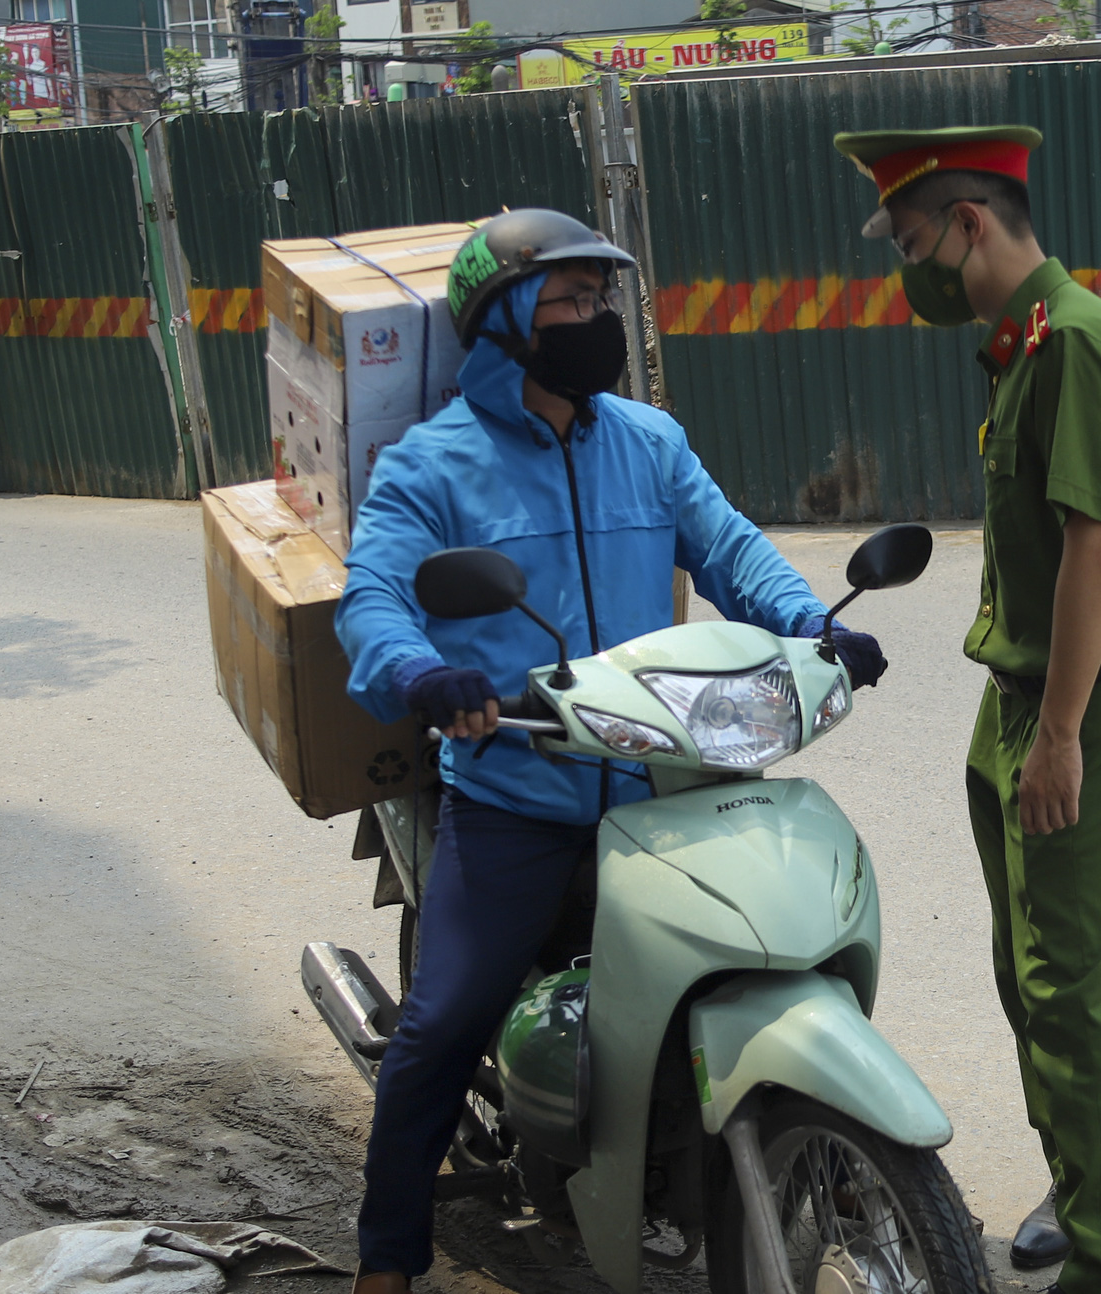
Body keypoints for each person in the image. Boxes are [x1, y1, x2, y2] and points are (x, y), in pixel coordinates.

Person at [333, 208, 885, 1294]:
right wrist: (423, 675)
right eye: (570, 303)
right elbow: (373, 598)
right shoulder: (432, 464)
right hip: (517, 797)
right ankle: (385, 1261)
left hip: (663, 784)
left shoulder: (647, 441)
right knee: (440, 1031)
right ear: (502, 322)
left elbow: (726, 546)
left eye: (602, 301)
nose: (596, 322)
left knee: (762, 948)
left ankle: (812, 1162)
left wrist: (812, 622)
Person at [829, 127, 1101, 1294]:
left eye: (912, 238)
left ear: (969, 224)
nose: (907, 263)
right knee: (1029, 977)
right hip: (1019, 702)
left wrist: (1061, 735)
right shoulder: (1022, 345)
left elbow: (1097, 546)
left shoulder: (1073, 341)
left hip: (1066, 708)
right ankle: (1082, 1188)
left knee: (1075, 995)